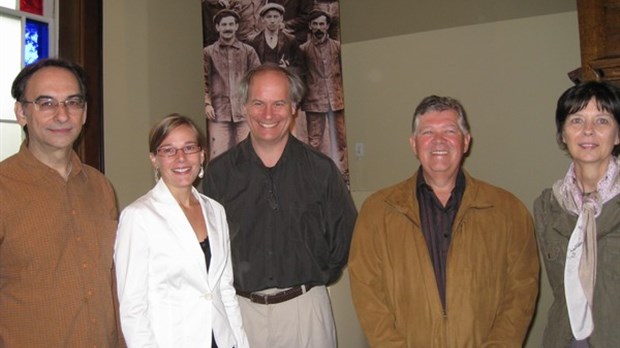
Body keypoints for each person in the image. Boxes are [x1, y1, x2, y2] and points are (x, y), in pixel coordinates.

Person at [349, 95, 540, 347]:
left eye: (450, 130)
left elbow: (521, 291)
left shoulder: (509, 211)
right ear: (414, 144)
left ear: (466, 141)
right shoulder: (377, 212)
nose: (438, 140)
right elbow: (367, 293)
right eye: (427, 132)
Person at [203, 63, 357, 348]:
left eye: (279, 103)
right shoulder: (219, 174)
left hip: (306, 312)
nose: (268, 114)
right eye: (258, 103)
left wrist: (314, 275)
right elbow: (208, 250)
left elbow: (345, 238)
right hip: (240, 312)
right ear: (245, 107)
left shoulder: (321, 170)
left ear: (294, 107)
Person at [0, 58, 123, 346]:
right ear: (21, 112)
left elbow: (113, 279)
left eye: (73, 102)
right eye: (46, 103)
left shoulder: (101, 187)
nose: (62, 115)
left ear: (85, 112)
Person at [114, 114, 249, 348]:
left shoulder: (215, 211)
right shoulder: (138, 217)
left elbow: (224, 289)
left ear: (202, 155)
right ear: (154, 159)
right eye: (168, 150)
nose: (181, 158)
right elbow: (132, 308)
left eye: (189, 147)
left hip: (222, 340)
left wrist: (240, 342)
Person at [534, 81, 620, 347]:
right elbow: (560, 292)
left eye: (602, 120)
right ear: (562, 134)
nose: (588, 131)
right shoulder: (547, 206)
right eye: (577, 120)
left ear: (617, 135)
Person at [300, 9, 349, 184]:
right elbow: (301, 75)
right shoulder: (304, 50)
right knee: (314, 142)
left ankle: (343, 175)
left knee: (341, 139)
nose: (319, 27)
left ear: (327, 26)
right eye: (315, 24)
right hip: (314, 101)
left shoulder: (337, 47)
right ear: (310, 26)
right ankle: (317, 177)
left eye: (322, 24)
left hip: (337, 99)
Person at [204, 9, 261, 159]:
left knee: (248, 155)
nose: (227, 28)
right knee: (218, 156)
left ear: (236, 26)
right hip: (218, 113)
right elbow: (203, 80)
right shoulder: (208, 53)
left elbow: (258, 80)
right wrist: (206, 103)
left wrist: (253, 104)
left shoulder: (248, 52)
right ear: (217, 27)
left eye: (231, 24)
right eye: (224, 25)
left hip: (243, 113)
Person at [249, 3, 303, 77]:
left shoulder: (290, 40)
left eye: (276, 17)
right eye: (269, 17)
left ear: (281, 18)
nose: (272, 20)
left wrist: (287, 69)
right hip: (261, 81)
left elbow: (300, 67)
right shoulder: (253, 41)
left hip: (282, 80)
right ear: (262, 19)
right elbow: (247, 68)